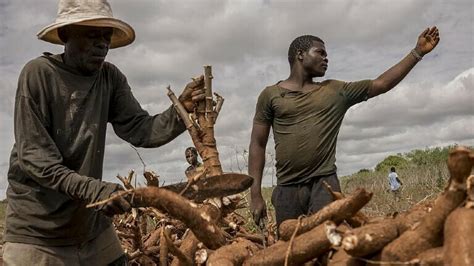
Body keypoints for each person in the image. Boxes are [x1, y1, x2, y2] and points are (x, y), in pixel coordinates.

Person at [2, 0, 205, 265]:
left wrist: (181, 109)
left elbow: (142, 129)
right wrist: (96, 191)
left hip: (90, 226)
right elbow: (36, 160)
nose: (103, 44)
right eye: (92, 35)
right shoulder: (39, 74)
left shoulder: (109, 78)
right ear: (65, 35)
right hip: (38, 230)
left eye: (106, 36)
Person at [249, 27, 440, 227]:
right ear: (300, 55)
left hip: (325, 184)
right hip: (286, 188)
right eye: (320, 53)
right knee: (289, 248)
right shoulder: (270, 95)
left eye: (327, 54)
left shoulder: (335, 91)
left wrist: (417, 52)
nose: (326, 58)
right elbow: (257, 144)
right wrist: (255, 195)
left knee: (328, 241)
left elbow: (381, 83)